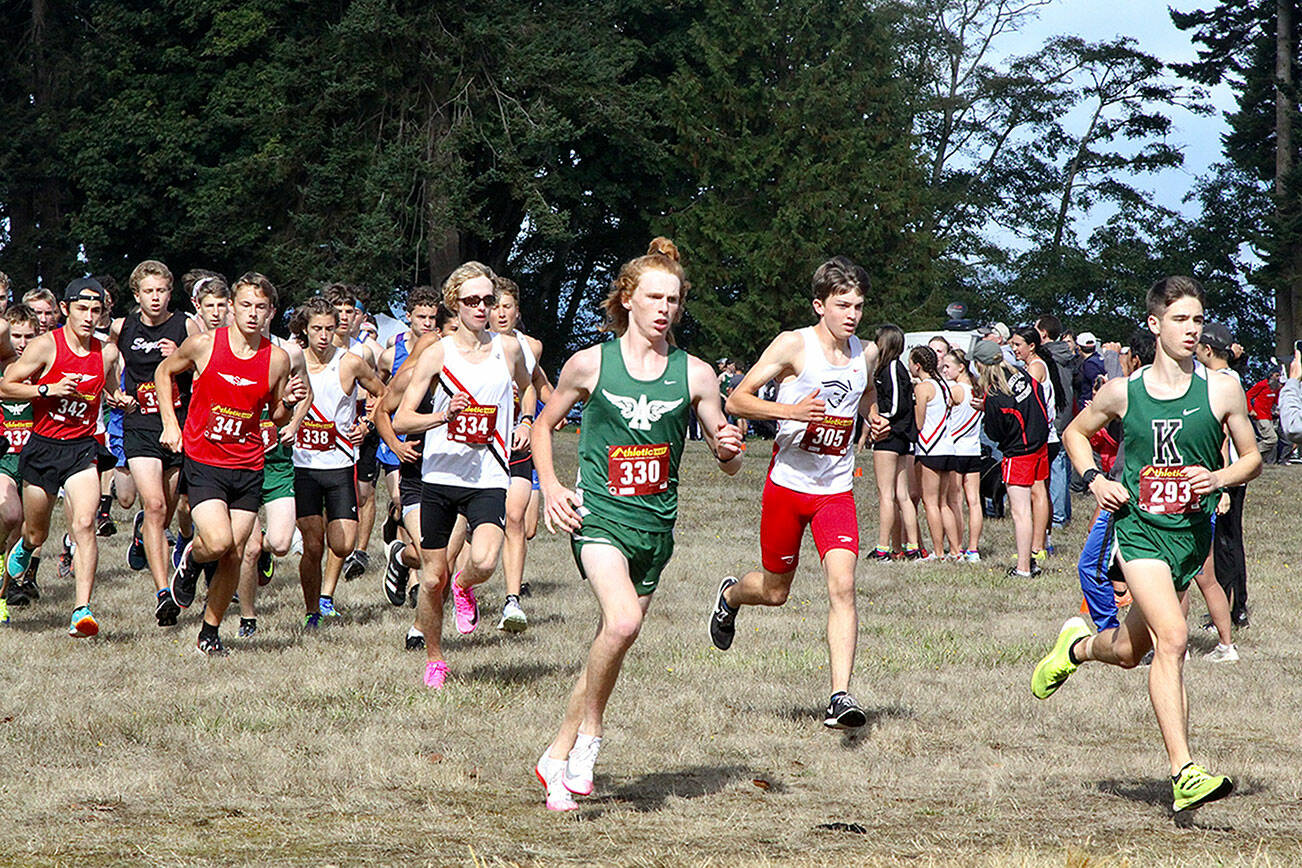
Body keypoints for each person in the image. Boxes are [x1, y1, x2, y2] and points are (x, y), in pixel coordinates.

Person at [1033, 276, 1261, 813]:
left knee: (1131, 650)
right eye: (1180, 319)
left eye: (1198, 320)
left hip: (1189, 537)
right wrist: (1094, 479)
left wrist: (1221, 478)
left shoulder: (1222, 387)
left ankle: (1076, 648)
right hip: (1138, 534)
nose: (1191, 329)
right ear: (1156, 325)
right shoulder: (1122, 391)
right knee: (1175, 638)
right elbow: (1074, 434)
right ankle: (1185, 772)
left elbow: (1250, 457)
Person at [531, 238, 742, 811]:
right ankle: (590, 742)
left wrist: (728, 448)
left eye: (673, 299)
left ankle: (556, 754)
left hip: (657, 529)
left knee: (612, 643)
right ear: (627, 299)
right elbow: (542, 428)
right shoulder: (590, 364)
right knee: (622, 624)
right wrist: (551, 487)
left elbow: (728, 455)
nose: (664, 308)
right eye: (653, 296)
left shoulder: (696, 375)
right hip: (599, 517)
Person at [708, 256, 878, 728]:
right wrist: (790, 414)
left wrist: (873, 417)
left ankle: (840, 696)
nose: (852, 315)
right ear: (819, 304)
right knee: (776, 591)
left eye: (859, 306)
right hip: (788, 486)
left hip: (835, 491)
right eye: (843, 305)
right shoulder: (794, 345)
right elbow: (736, 399)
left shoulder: (864, 353)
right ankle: (731, 598)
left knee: (843, 587)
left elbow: (863, 395)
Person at [393, 262, 530, 684]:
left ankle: (465, 586)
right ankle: (436, 658)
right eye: (472, 300)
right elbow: (401, 420)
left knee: (485, 560)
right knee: (432, 578)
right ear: (455, 302)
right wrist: (440, 416)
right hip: (440, 476)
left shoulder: (507, 349)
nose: (482, 307)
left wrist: (525, 421)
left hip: (489, 474)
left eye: (488, 300)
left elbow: (529, 389)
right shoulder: (439, 352)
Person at [157, 273, 305, 656]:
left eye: (260, 307)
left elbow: (271, 414)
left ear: (271, 311)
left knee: (236, 553)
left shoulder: (277, 358)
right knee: (219, 541)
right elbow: (164, 372)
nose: (252, 314)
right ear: (232, 308)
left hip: (249, 463)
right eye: (245, 305)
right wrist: (171, 423)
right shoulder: (205, 345)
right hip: (205, 459)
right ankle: (190, 557)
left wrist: (287, 401)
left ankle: (210, 630)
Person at [1, 279, 125, 637]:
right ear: (66, 309)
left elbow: (112, 388)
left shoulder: (108, 352)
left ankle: (81, 610)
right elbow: (6, 385)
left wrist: (121, 399)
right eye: (82, 309)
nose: (89, 317)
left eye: (96, 310)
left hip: (81, 449)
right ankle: (24, 549)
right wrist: (47, 389)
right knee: (36, 533)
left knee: (85, 524)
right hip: (43, 447)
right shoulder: (44, 346)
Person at [111, 260, 202, 627]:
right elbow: (106, 366)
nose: (155, 298)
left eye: (161, 290)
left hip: (178, 425)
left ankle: (145, 539)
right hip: (141, 425)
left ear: (170, 293)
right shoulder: (122, 327)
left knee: (167, 510)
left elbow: (204, 372)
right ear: (137, 295)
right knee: (153, 504)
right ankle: (163, 593)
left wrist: (179, 356)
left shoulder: (185, 325)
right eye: (148, 291)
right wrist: (114, 396)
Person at [290, 296, 385, 623]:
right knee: (313, 545)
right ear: (305, 328)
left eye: (329, 329)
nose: (323, 335)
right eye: (317, 328)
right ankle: (313, 608)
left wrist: (367, 424)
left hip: (341, 464)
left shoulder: (350, 362)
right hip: (303, 467)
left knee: (343, 543)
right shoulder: (292, 360)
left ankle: (325, 596)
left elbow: (382, 392)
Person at [490, 276, 553, 632]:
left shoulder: (531, 346)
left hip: (516, 442)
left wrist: (531, 421)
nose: (500, 313)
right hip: (479, 446)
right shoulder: (472, 346)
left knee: (517, 522)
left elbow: (535, 385)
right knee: (473, 529)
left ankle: (512, 601)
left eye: (507, 306)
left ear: (518, 310)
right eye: (495, 306)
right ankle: (460, 582)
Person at [972, 340, 1050, 577]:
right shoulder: (1022, 375)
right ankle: (1033, 556)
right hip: (1040, 444)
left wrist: (987, 409)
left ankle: (1024, 568)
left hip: (1019, 453)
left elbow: (994, 433)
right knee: (1037, 499)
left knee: (1020, 512)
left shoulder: (995, 393)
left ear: (980, 365)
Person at [1195, 322, 1251, 633]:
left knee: (1225, 543)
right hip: (1229, 474)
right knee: (1230, 540)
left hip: (1226, 474)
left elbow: (1223, 436)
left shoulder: (1221, 382)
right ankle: (1236, 605)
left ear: (1207, 350)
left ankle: (1231, 609)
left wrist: (1221, 482)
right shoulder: (1231, 377)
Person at [866, 324, 921, 560]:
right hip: (899, 437)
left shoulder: (891, 368)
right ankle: (912, 547)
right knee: (902, 494)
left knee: (886, 494)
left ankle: (883, 548)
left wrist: (879, 419)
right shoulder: (894, 368)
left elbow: (897, 404)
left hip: (890, 435)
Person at [1010, 327, 1064, 560]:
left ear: (1032, 346)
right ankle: (1041, 542)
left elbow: (1025, 400)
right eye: (1012, 345)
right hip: (1039, 435)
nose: (1014, 349)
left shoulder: (1035, 367)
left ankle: (1038, 545)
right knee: (1036, 489)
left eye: (1018, 345)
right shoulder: (1031, 366)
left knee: (1037, 490)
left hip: (1041, 436)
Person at [0, 306, 39, 621]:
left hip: (34, 459)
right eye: (17, 336)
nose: (23, 342)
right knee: (9, 513)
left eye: (29, 335)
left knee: (28, 532)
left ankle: (8, 588)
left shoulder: (44, 370)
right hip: (3, 458)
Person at [911, 346, 960, 560]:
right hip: (948, 447)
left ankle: (939, 552)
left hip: (930, 448)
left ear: (918, 365)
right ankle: (956, 550)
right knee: (943, 502)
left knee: (930, 502)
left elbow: (919, 422)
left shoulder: (923, 387)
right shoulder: (944, 385)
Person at [942, 349, 983, 560]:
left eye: (947, 366)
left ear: (961, 367)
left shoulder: (956, 390)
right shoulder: (977, 390)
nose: (945, 370)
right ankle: (973, 549)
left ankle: (956, 547)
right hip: (974, 450)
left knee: (955, 501)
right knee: (974, 501)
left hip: (956, 450)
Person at [1245, 371, 1280, 464]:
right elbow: (1248, 395)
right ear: (1271, 375)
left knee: (1272, 441)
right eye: (1276, 375)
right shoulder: (1262, 384)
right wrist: (1250, 409)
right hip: (1260, 415)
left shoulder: (1276, 387)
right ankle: (1251, 454)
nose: (1278, 378)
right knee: (1272, 439)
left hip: (1270, 416)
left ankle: (1259, 462)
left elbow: (1276, 400)